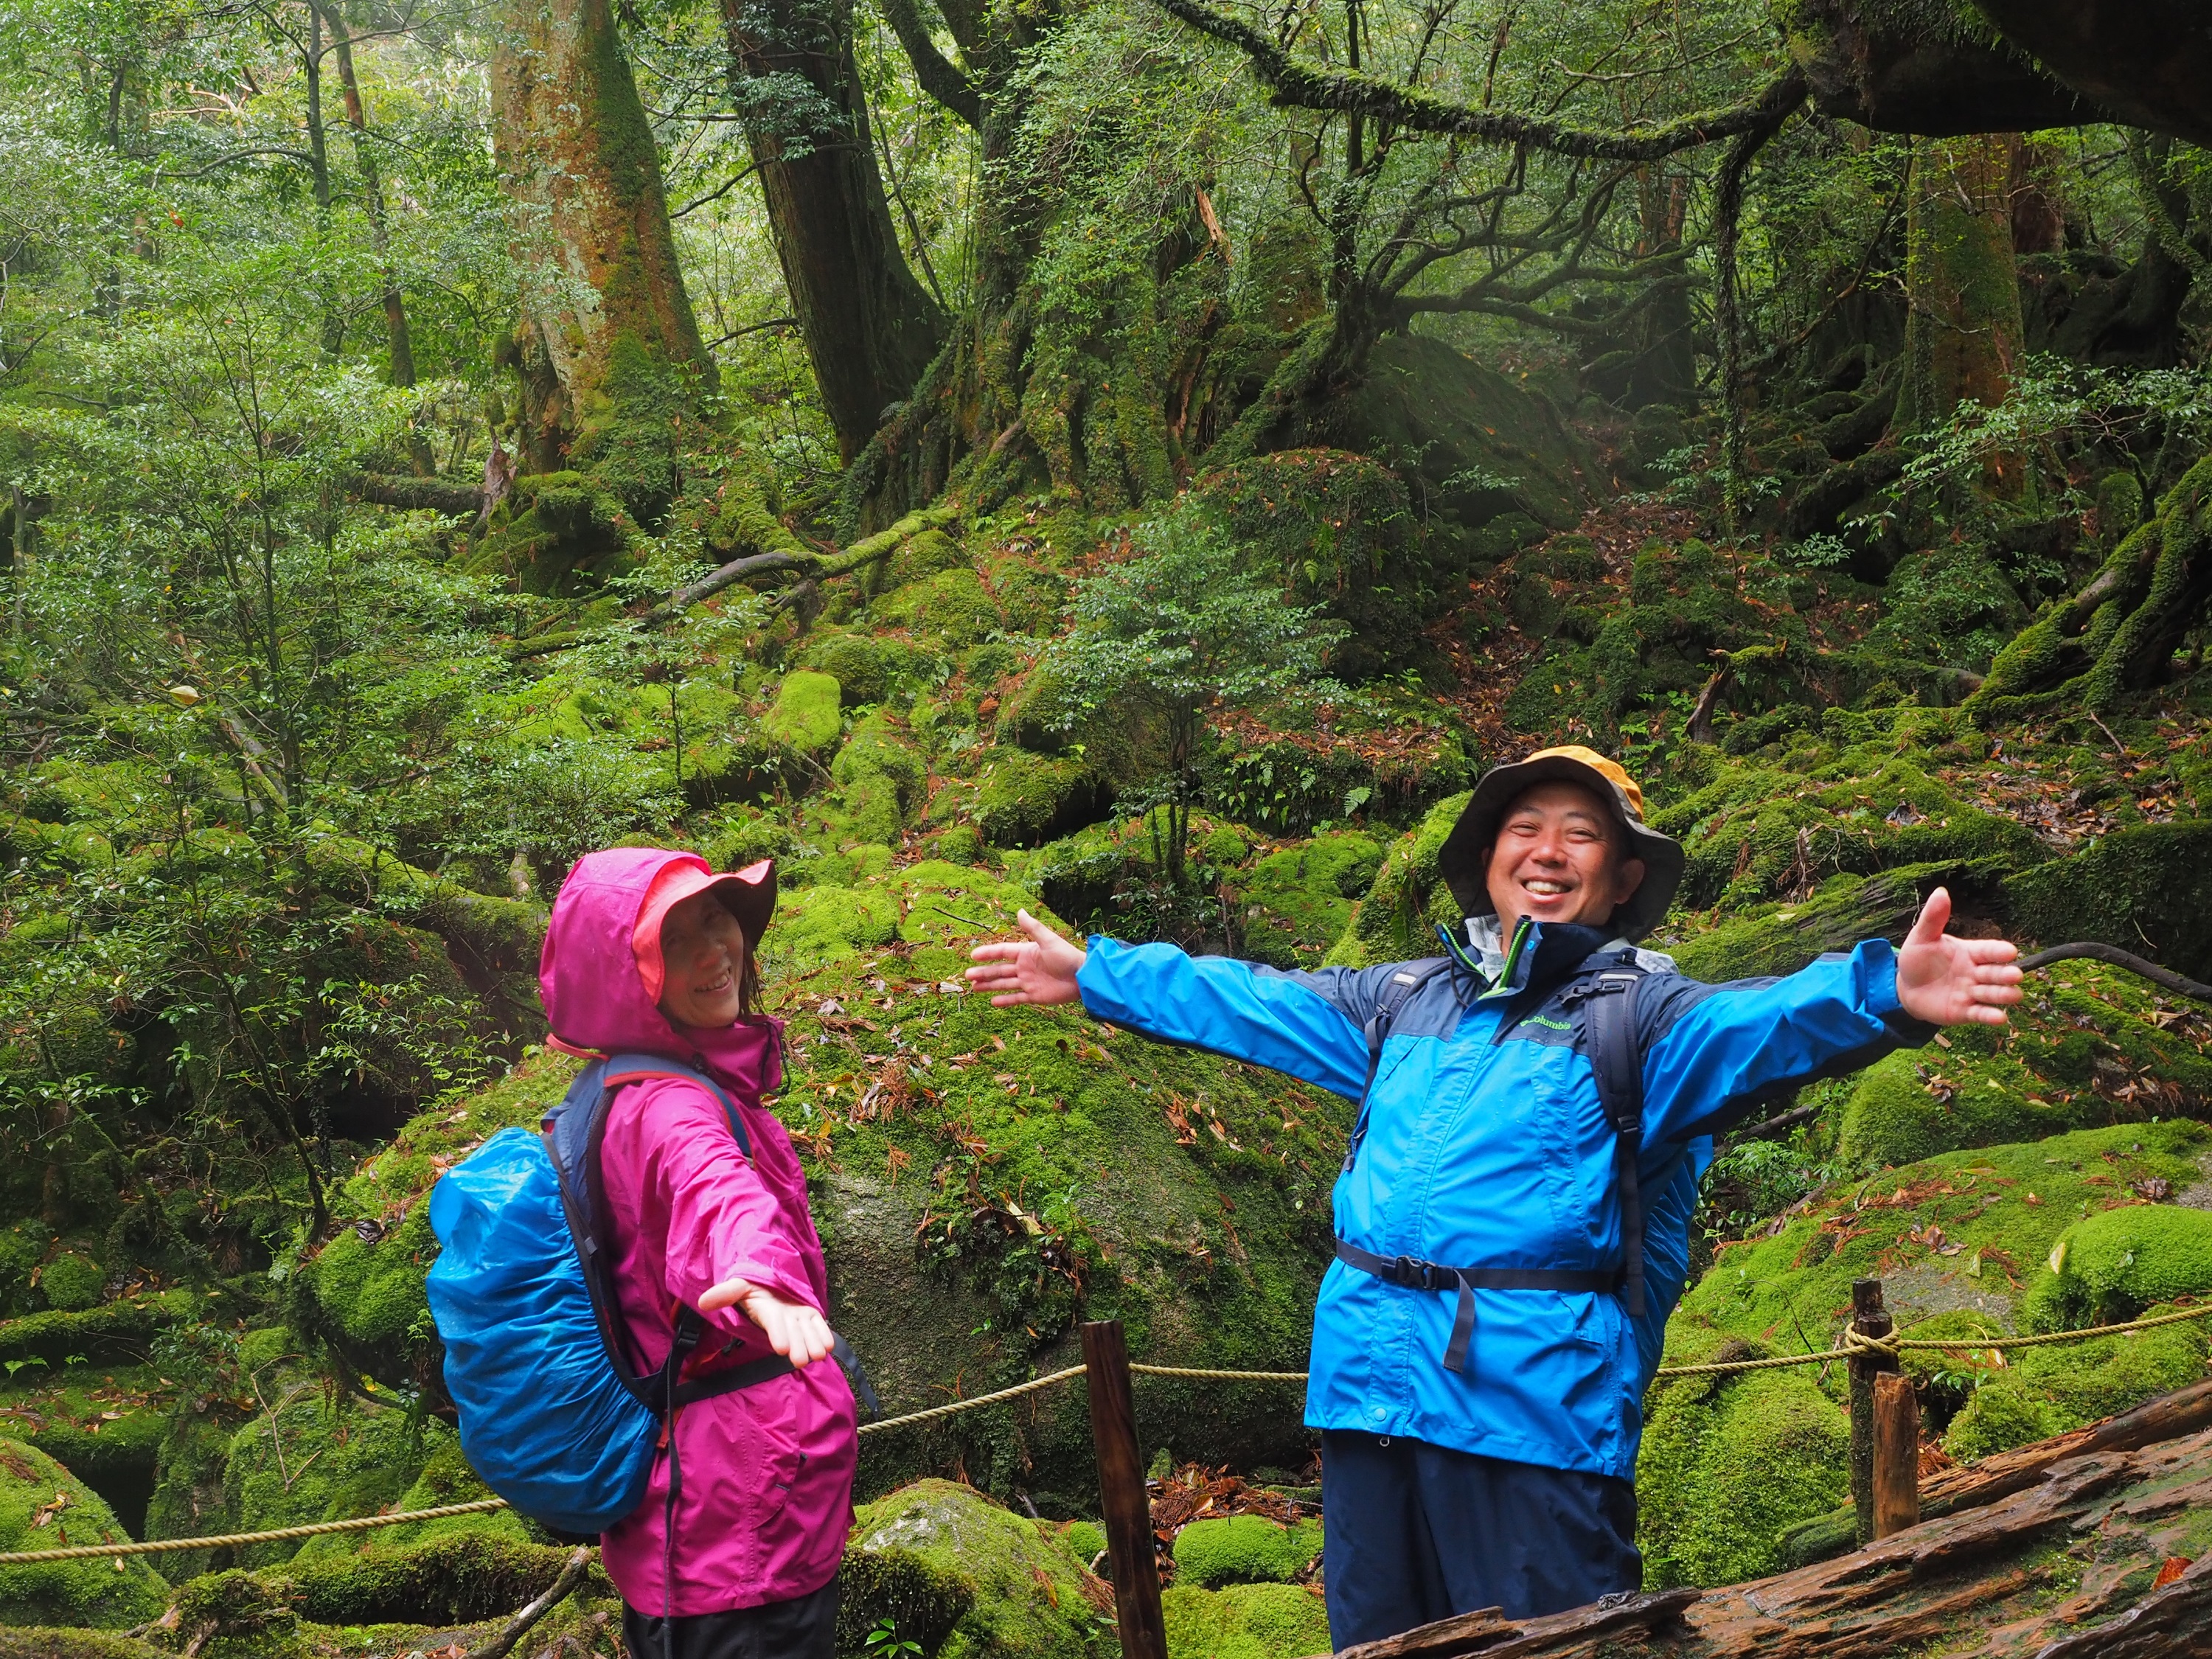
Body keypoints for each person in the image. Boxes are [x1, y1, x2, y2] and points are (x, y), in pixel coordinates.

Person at [967, 745, 2020, 1646]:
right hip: (1370, 1392)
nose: (1549, 850)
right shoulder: (1403, 1000)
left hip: (1530, 1413)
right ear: (1488, 860)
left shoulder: (1644, 1020)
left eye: (1581, 833)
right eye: (1526, 826)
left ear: (1619, 878)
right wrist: (1096, 973)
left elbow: (1766, 1020)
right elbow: (1247, 998)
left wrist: (1883, 990)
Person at [539, 847, 854, 1659]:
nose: (714, 952)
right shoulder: (672, 1108)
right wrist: (761, 1276)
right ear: (628, 974)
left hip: (701, 1513)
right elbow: (714, 1191)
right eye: (675, 940)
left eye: (718, 918)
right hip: (740, 1529)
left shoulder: (620, 1084)